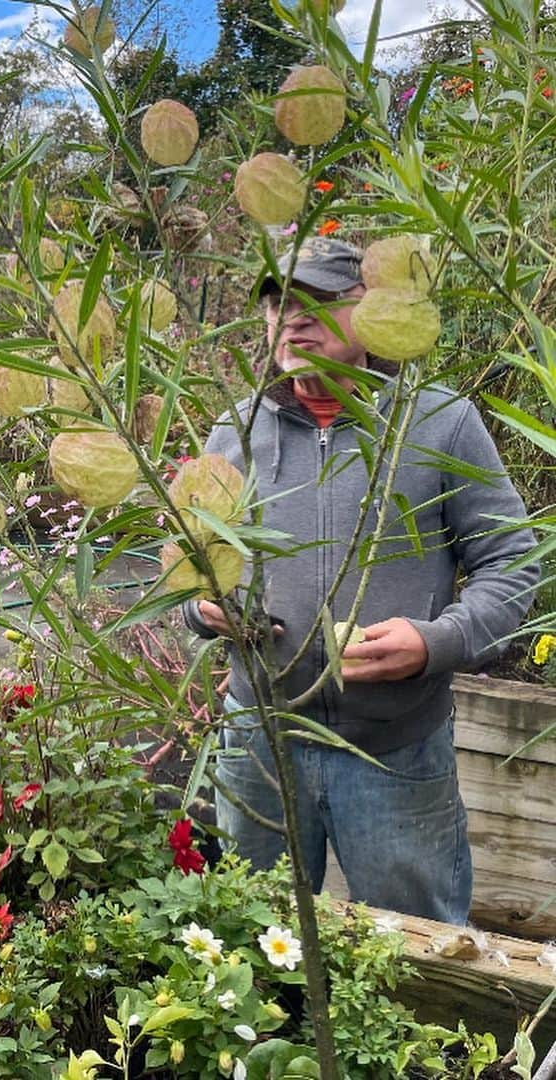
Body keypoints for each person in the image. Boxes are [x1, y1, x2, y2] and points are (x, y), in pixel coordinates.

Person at [184, 237, 538, 924]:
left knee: (421, 954)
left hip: (394, 751)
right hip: (261, 743)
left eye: (317, 300)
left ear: (372, 311)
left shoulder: (437, 423)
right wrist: (203, 609)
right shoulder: (236, 432)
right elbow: (189, 570)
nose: (292, 317)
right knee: (252, 947)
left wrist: (436, 642)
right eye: (278, 301)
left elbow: (513, 564)